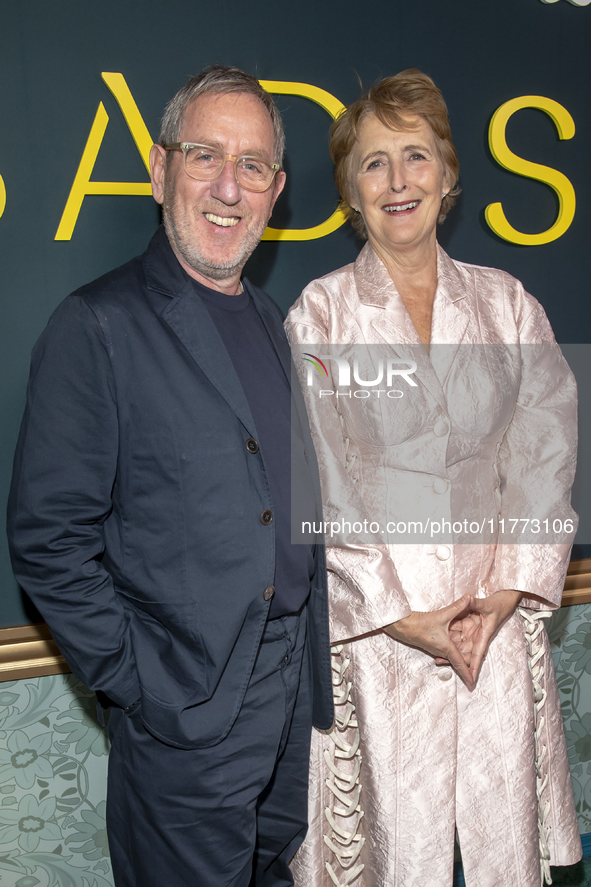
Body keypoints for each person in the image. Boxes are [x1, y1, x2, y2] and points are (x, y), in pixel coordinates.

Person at [7, 65, 333, 887]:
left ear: (276, 189)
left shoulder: (270, 319)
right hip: (186, 715)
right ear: (160, 170)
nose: (229, 186)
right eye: (204, 156)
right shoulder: (97, 325)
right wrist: (142, 687)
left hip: (288, 698)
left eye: (253, 165)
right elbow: (47, 539)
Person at [285, 70, 581, 887]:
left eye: (414, 155)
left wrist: (508, 587)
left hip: (492, 620)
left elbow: (544, 445)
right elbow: (319, 475)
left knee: (498, 852)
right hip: (382, 634)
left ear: (447, 175)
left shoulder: (505, 305)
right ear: (350, 194)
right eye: (373, 163)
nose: (396, 180)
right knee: (395, 855)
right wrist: (396, 612)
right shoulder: (321, 314)